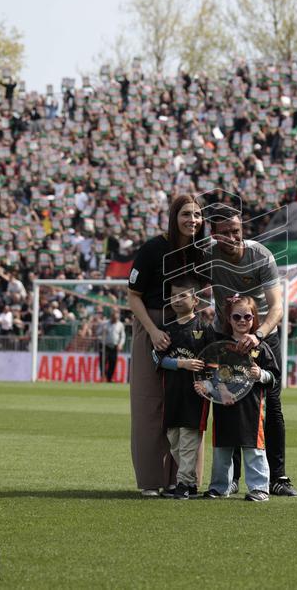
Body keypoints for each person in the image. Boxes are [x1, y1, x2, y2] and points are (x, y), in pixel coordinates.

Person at [205, 204, 297, 497]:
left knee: (272, 405)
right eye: (226, 233)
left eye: (237, 231)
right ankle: (231, 479)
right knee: (227, 402)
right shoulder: (207, 256)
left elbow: (277, 307)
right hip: (226, 337)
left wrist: (257, 335)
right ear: (214, 235)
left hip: (263, 335)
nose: (233, 237)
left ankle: (277, 478)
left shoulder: (260, 256)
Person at [126, 194, 209, 498]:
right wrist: (152, 330)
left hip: (188, 328)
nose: (193, 220)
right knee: (149, 404)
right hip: (152, 324)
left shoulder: (201, 252)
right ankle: (151, 480)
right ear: (174, 217)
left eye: (198, 215)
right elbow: (132, 296)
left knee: (188, 400)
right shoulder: (152, 248)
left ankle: (184, 481)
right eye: (186, 214)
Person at [196, 295, 275, 502]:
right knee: (222, 448)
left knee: (253, 448)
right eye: (236, 316)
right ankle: (219, 487)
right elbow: (212, 372)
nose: (242, 320)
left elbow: (274, 377)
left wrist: (262, 375)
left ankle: (259, 488)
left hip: (252, 408)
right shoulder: (220, 347)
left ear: (254, 319)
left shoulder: (261, 347)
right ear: (228, 319)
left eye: (247, 316)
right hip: (224, 406)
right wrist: (221, 390)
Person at [153, 276, 214, 500]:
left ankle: (184, 485)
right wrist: (182, 364)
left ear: (195, 300)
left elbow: (213, 361)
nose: (176, 300)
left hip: (194, 396)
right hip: (172, 394)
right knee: (175, 441)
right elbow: (157, 359)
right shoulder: (164, 329)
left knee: (189, 441)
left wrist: (207, 384)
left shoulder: (204, 329)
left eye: (182, 295)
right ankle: (188, 485)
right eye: (173, 296)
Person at [100, 308, 125, 382]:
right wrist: (102, 331)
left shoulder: (120, 325)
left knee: (112, 363)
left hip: (114, 347)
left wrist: (120, 344)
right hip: (105, 346)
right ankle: (103, 377)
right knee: (103, 362)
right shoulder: (105, 323)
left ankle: (109, 379)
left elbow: (123, 336)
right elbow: (98, 332)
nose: (114, 318)